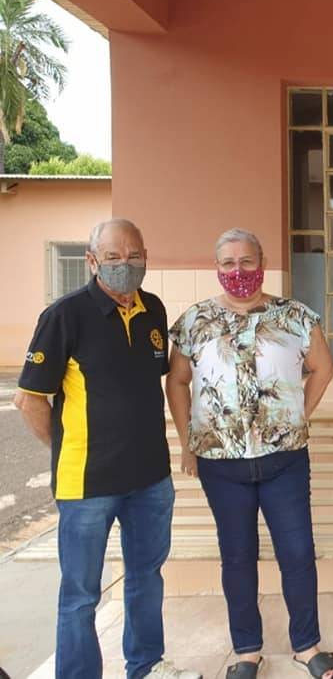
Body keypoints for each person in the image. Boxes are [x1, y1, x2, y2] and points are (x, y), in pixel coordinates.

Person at [13, 218, 200, 679]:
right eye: (113, 257)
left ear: (145, 258)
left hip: (150, 480)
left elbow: (155, 383)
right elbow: (29, 400)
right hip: (87, 485)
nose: (125, 264)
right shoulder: (65, 315)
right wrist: (66, 450)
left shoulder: (153, 310)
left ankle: (147, 665)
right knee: (81, 595)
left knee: (146, 579)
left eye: (134, 256)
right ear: (92, 261)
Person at [166, 228, 333, 679]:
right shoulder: (195, 321)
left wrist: (297, 415)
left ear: (262, 263)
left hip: (285, 461)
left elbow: (324, 368)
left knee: (297, 552)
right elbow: (177, 381)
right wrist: (187, 443)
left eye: (246, 261)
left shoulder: (295, 316)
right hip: (221, 465)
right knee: (237, 556)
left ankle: (307, 645)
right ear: (216, 267)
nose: (238, 270)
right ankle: (247, 651)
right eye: (228, 263)